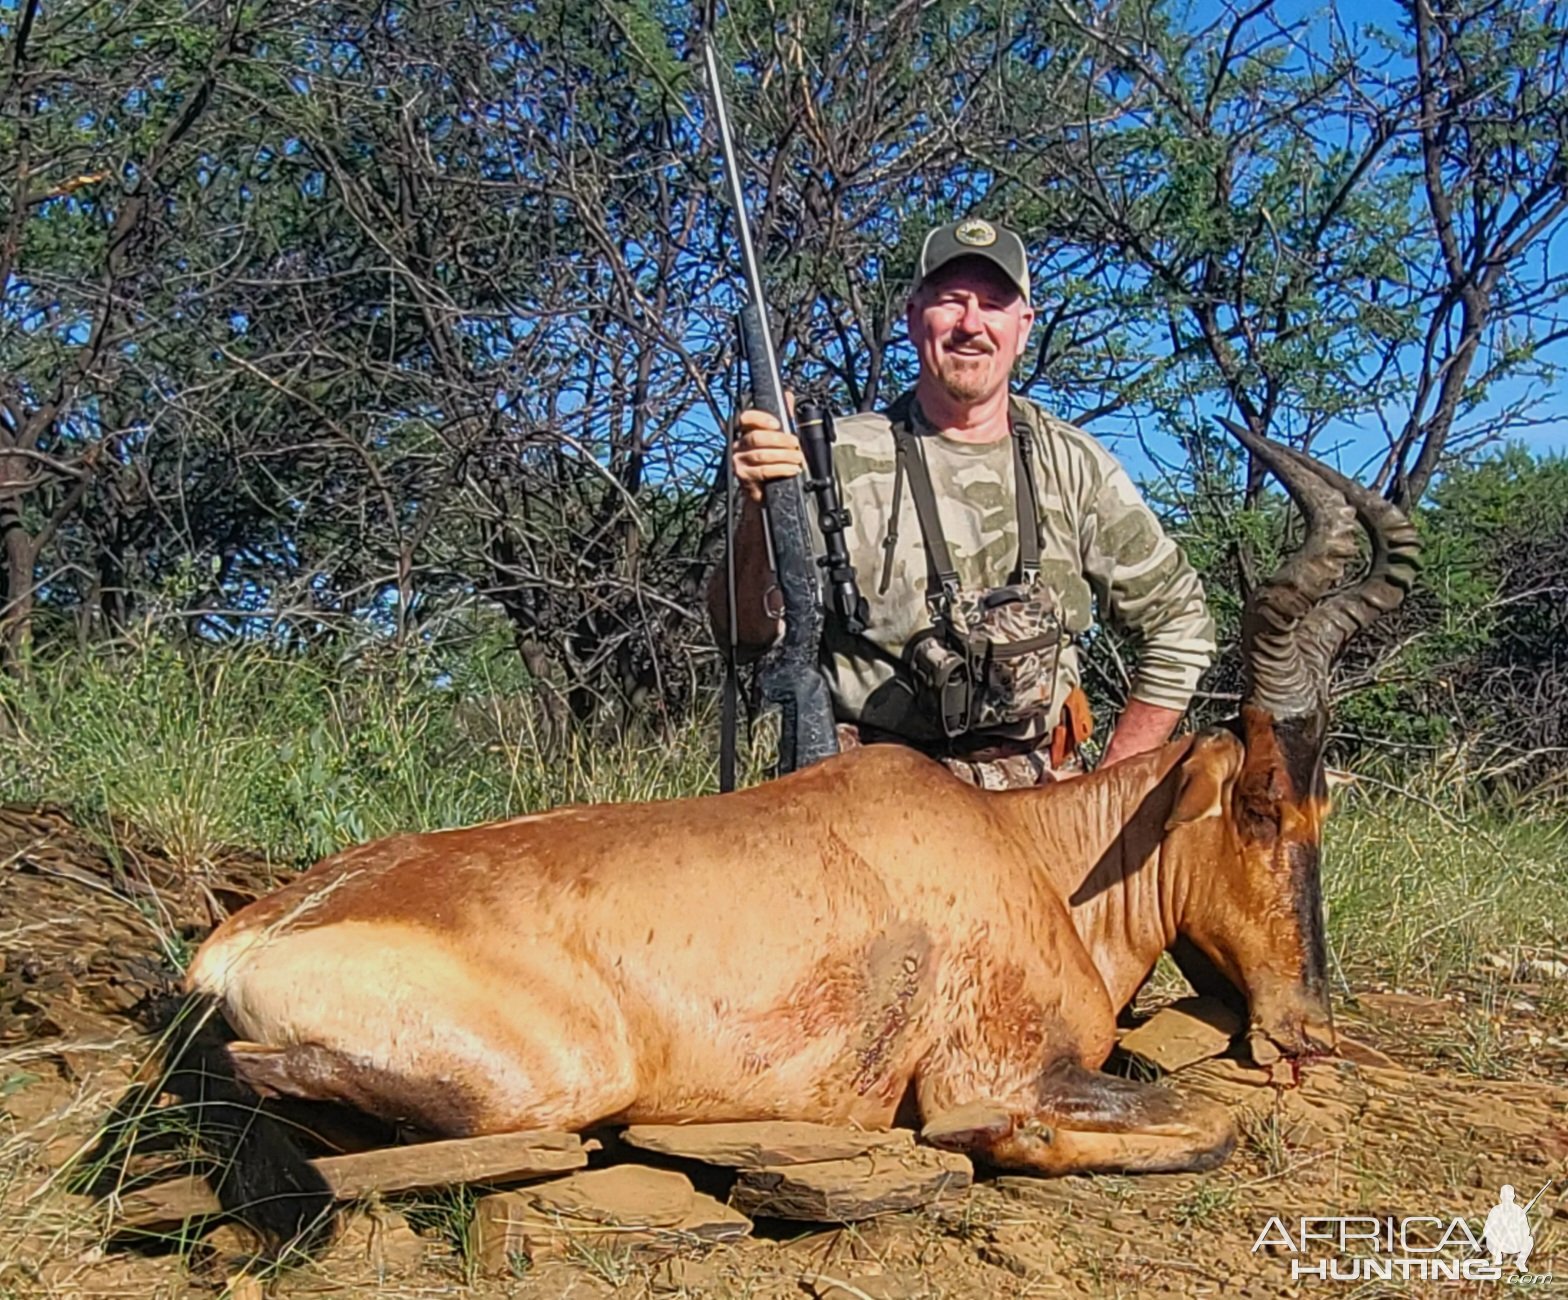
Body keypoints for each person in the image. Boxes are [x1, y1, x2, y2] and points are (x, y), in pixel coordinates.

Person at [709, 218, 1215, 788]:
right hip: (868, 795)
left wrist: (1109, 793)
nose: (971, 325)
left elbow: (1179, 622)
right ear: (912, 316)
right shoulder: (829, 457)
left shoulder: (1075, 464)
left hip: (1037, 804)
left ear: (1023, 327)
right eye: (951, 301)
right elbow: (742, 635)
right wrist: (757, 509)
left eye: (994, 304)